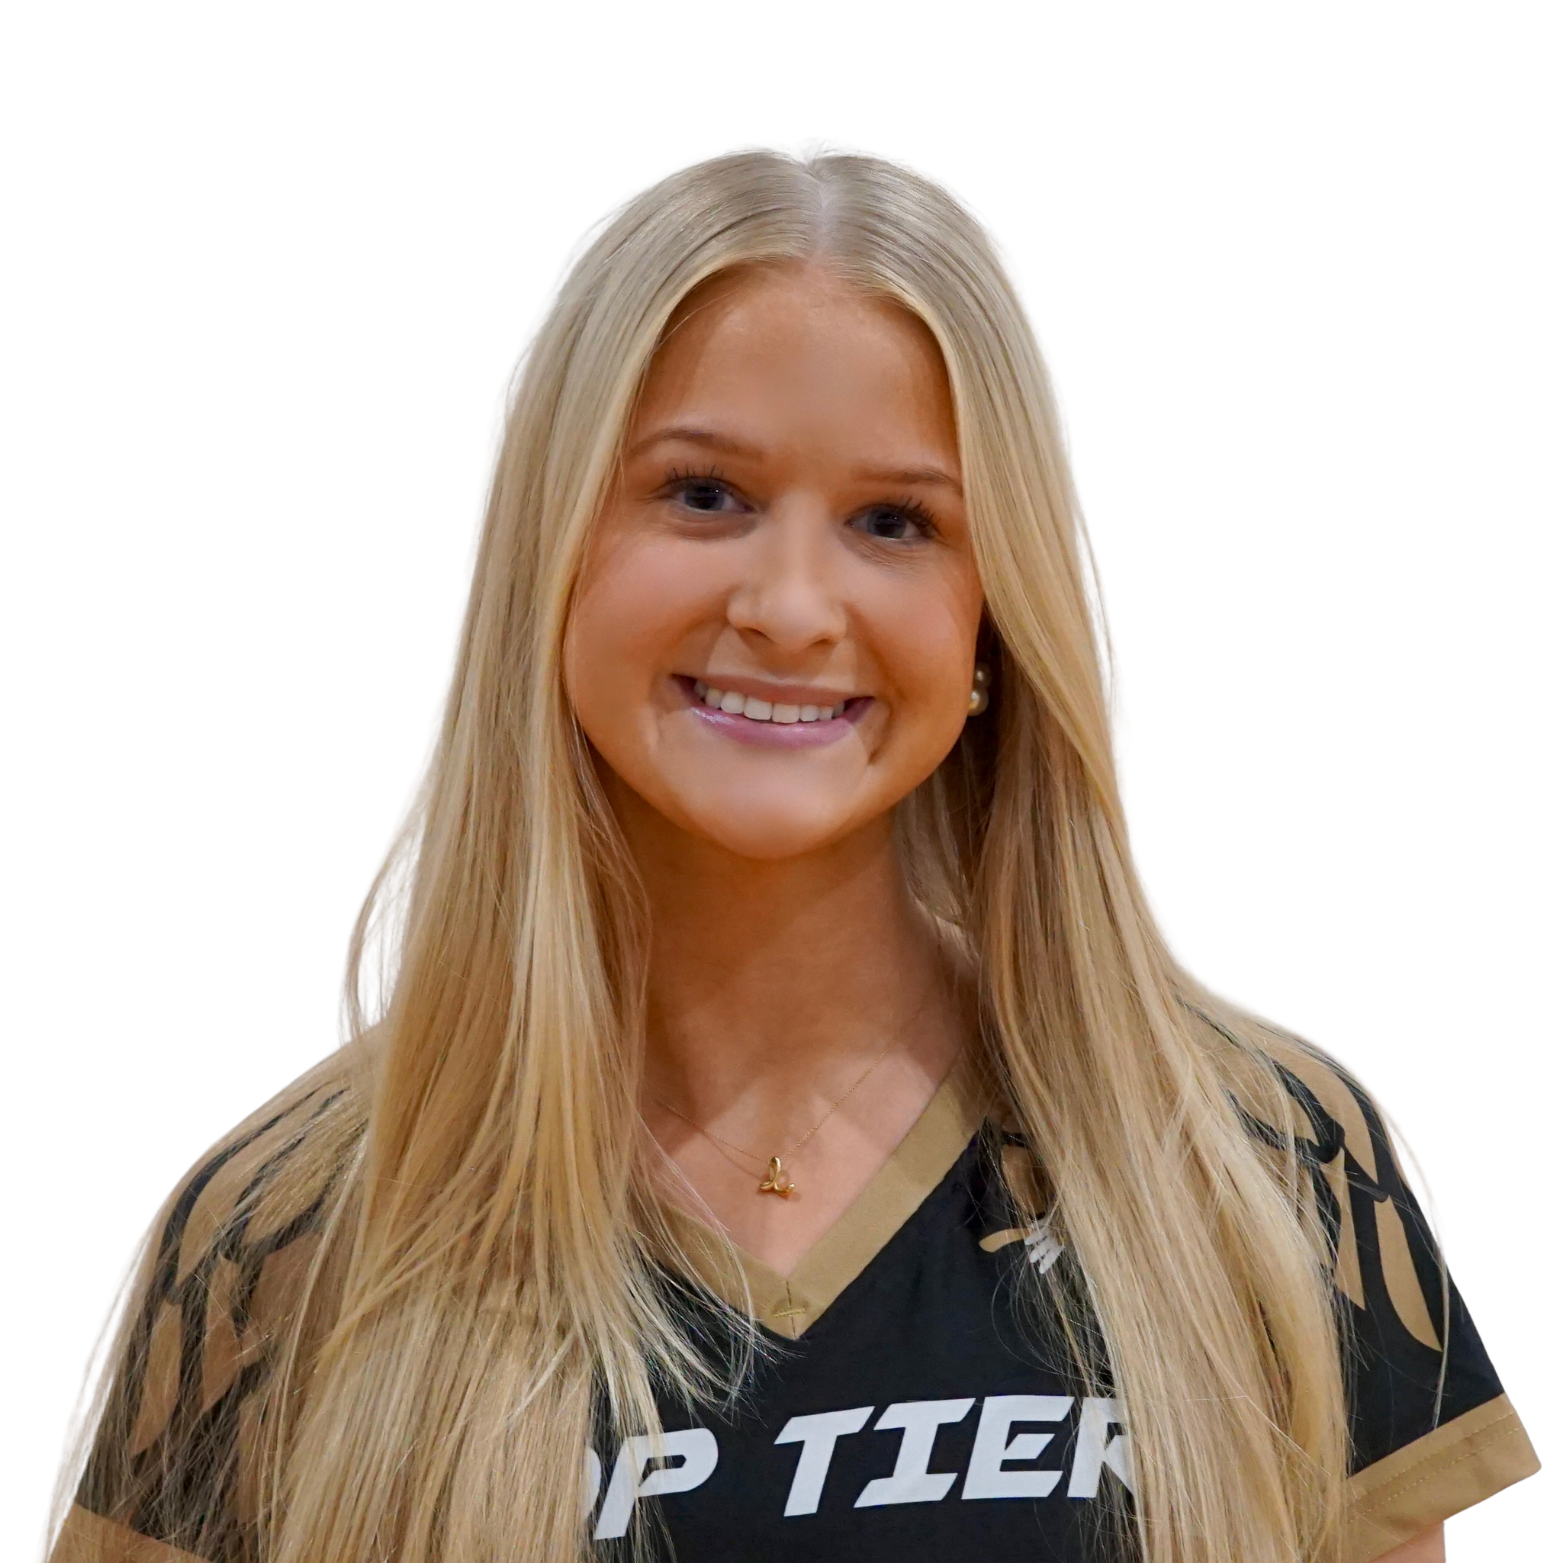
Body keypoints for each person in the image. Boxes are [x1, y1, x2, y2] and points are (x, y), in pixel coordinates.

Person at [48, 151, 1537, 1563]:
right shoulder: (295, 1229)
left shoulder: (1253, 1161)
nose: (790, 604)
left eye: (894, 521)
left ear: (988, 625)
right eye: (703, 494)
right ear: (551, 556)